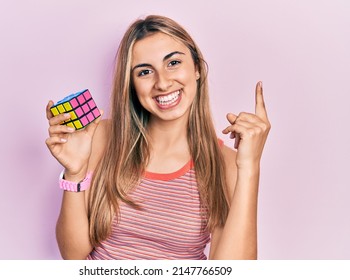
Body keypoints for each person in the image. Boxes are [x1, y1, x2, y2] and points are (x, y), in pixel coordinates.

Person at [45, 15, 270, 260]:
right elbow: (73, 256)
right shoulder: (100, 137)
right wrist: (74, 174)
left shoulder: (225, 164)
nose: (162, 83)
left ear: (196, 68)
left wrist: (250, 167)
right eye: (145, 72)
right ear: (131, 84)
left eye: (173, 63)